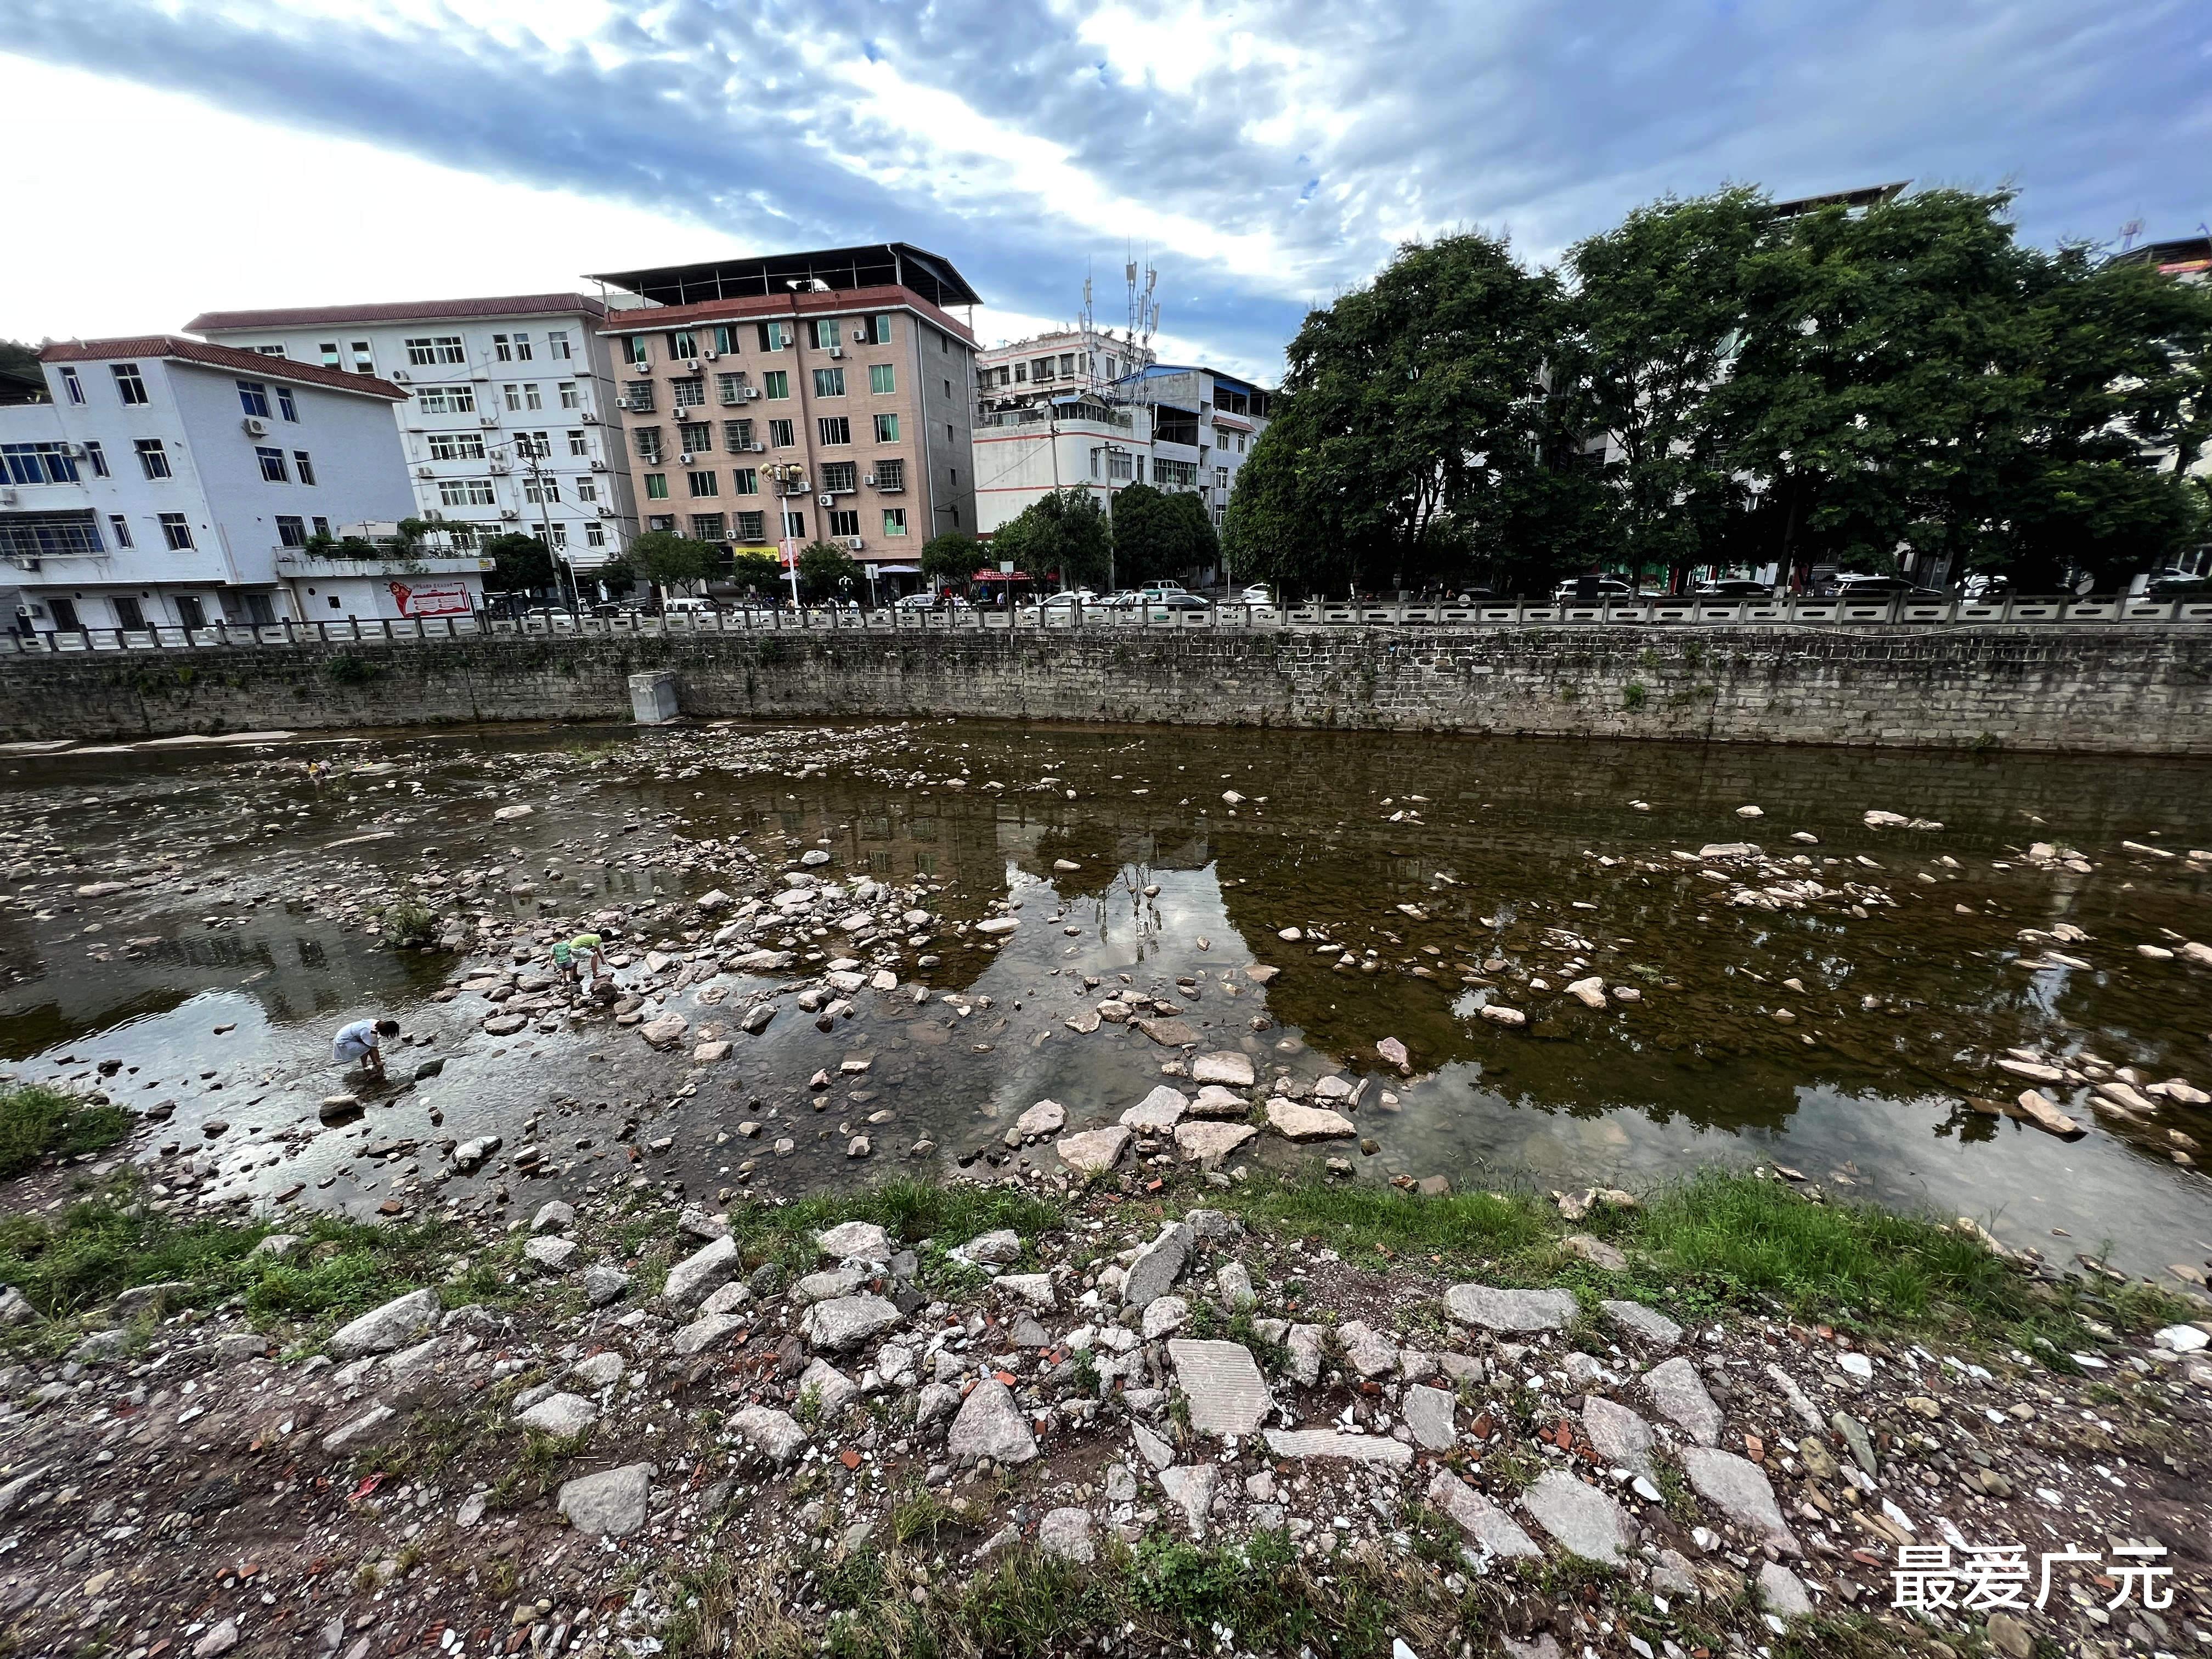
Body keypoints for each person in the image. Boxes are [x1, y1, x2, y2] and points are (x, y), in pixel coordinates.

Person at [333, 1015, 400, 1080]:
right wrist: (379, 1062)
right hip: (344, 1042)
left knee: (367, 1046)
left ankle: (372, 1063)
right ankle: (365, 1066)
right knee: (366, 1048)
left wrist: (375, 1061)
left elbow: (372, 1046)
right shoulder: (371, 1032)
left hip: (343, 1034)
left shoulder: (375, 1022)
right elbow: (374, 1049)